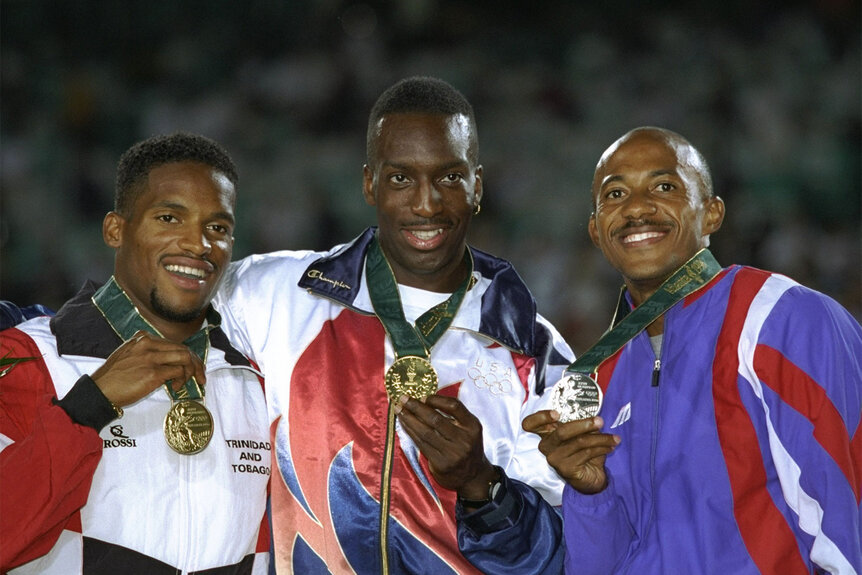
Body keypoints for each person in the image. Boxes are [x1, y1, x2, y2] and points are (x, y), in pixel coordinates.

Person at [214, 76, 572, 574]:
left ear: (478, 186)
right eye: (401, 178)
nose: (426, 204)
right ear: (369, 184)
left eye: (448, 177)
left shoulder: (537, 354)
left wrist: (482, 486)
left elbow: (561, 556)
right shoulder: (269, 297)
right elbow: (150, 319)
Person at [524, 126, 862, 574]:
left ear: (712, 214)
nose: (637, 208)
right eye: (615, 194)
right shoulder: (597, 378)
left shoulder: (783, 318)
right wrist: (591, 492)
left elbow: (847, 519)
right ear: (595, 230)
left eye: (665, 187)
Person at [0, 133, 271, 574]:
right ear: (115, 230)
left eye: (217, 228)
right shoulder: (27, 358)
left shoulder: (259, 380)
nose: (198, 244)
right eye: (169, 218)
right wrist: (88, 405)